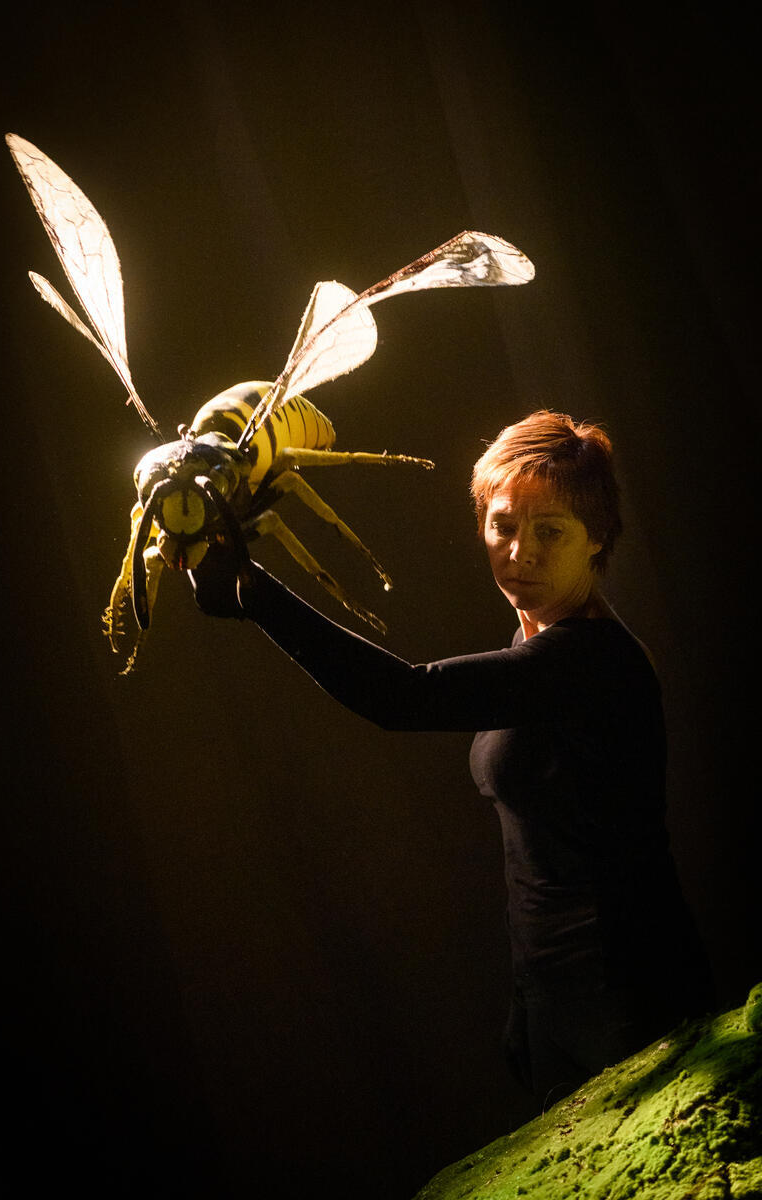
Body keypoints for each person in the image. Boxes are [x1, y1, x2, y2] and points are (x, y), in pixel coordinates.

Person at [192, 410, 714, 1111]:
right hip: (556, 1001)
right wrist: (528, 1001)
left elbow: (403, 696)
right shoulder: (533, 648)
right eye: (504, 526)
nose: (520, 552)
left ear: (597, 538)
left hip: (631, 990)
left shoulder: (594, 661)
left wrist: (255, 592)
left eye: (549, 531)